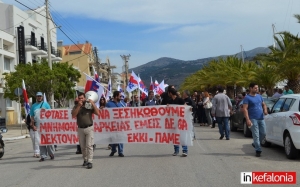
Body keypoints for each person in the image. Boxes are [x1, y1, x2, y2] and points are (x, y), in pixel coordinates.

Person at [72, 92, 99, 169]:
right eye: (79, 98)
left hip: (89, 128)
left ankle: (90, 161)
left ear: (85, 98)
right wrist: (78, 107)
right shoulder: (76, 107)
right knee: (83, 147)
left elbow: (98, 113)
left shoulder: (89, 106)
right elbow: (73, 115)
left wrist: (93, 104)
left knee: (89, 145)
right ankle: (85, 159)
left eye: (82, 98)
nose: (81, 100)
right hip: (80, 128)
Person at [243, 83, 268, 157]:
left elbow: (264, 104)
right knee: (256, 135)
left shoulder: (260, 96)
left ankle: (255, 144)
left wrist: (265, 110)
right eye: (255, 88)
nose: (257, 89)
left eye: (257, 88)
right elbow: (245, 109)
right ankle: (258, 150)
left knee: (263, 133)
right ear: (250, 88)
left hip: (261, 118)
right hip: (253, 119)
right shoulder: (247, 98)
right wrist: (247, 119)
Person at [30, 92, 53, 162]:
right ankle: (43, 156)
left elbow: (51, 114)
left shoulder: (46, 104)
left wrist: (45, 111)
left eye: (40, 96)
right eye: (38, 96)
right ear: (36, 97)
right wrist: (33, 125)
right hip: (38, 126)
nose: (39, 97)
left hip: (47, 126)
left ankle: (51, 153)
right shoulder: (33, 106)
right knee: (40, 141)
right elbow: (32, 117)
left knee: (48, 141)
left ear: (42, 97)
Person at [167, 88, 189, 157]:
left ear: (170, 93)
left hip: (181, 120)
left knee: (182, 135)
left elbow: (185, 106)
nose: (168, 94)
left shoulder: (180, 100)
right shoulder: (170, 101)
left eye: (168, 93)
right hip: (173, 121)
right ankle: (176, 150)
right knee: (174, 136)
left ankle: (185, 150)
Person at [106, 91, 125, 157]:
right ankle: (113, 150)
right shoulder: (109, 104)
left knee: (120, 137)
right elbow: (105, 114)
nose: (121, 97)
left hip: (121, 123)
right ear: (116, 96)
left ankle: (121, 151)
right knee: (113, 138)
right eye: (120, 96)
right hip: (112, 124)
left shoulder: (122, 104)